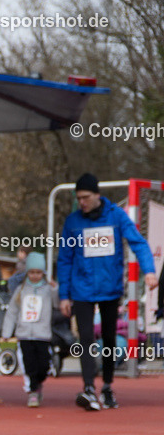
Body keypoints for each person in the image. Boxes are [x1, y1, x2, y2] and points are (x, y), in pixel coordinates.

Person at [58, 173, 157, 410]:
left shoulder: (116, 216)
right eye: (79, 198)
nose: (82, 202)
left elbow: (138, 242)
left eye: (86, 197)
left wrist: (150, 271)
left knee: (110, 339)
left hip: (110, 288)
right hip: (81, 290)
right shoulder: (73, 222)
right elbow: (64, 259)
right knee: (86, 338)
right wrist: (64, 294)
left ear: (97, 195)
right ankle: (89, 388)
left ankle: (107, 387)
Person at [0, 253, 58, 407]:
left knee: (43, 365)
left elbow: (58, 304)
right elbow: (12, 311)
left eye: (38, 273)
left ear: (43, 273)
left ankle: (38, 383)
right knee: (29, 364)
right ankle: (33, 391)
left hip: (42, 334)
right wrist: (6, 332)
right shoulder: (21, 290)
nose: (35, 276)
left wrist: (56, 289)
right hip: (25, 334)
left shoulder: (48, 290)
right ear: (27, 273)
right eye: (32, 273)